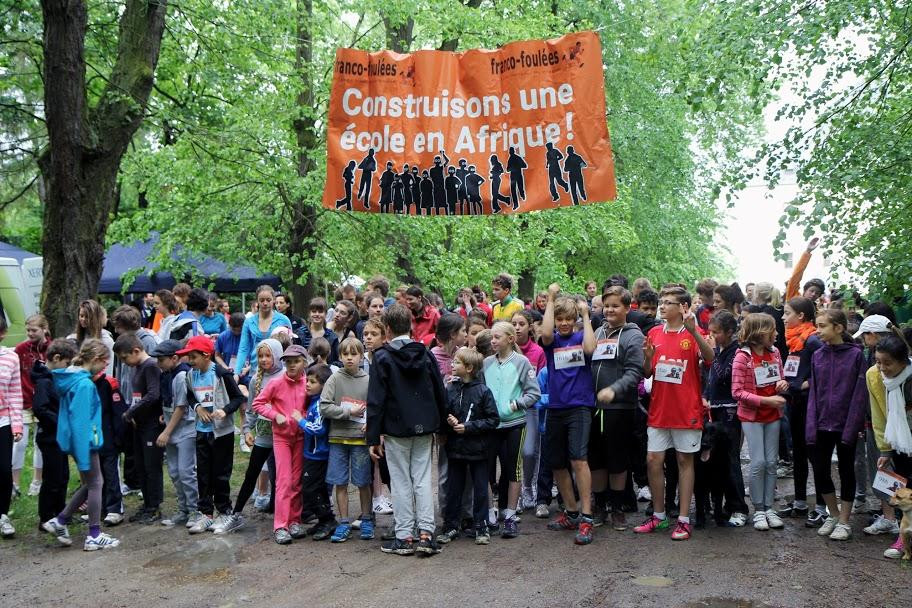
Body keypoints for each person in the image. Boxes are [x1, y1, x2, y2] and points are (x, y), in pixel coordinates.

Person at [634, 285, 714, 541]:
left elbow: (711, 358)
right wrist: (647, 359)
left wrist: (695, 334)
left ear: (684, 307)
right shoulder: (654, 333)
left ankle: (683, 520)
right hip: (659, 409)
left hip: (686, 410)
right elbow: (647, 372)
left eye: (669, 302)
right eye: (662, 301)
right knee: (653, 461)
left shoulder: (694, 332)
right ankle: (659, 516)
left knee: (683, 462)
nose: (662, 306)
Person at [367, 304, 448, 556]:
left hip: (395, 428)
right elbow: (439, 391)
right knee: (422, 480)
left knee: (401, 482)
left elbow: (376, 399)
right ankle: (426, 533)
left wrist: (373, 436)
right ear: (411, 326)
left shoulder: (382, 357)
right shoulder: (425, 354)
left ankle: (404, 536)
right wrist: (443, 424)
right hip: (424, 427)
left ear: (387, 329)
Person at [42, 339, 120, 550]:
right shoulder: (84, 384)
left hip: (78, 442)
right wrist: (84, 453)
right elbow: (80, 421)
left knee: (91, 483)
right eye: (104, 363)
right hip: (85, 443)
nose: (105, 368)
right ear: (95, 360)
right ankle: (94, 534)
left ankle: (60, 520)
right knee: (96, 484)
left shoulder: (73, 379)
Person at [540, 284, 597, 544]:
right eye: (560, 319)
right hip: (556, 408)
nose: (563, 324)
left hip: (580, 407)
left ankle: (587, 517)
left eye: (568, 319)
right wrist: (551, 298)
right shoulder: (551, 343)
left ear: (574, 320)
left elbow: (589, 349)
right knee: (557, 463)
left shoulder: (578, 337)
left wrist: (585, 316)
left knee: (579, 460)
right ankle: (571, 511)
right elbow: (546, 333)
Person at [807, 309, 868, 541]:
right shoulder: (817, 355)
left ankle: (844, 521)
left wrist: (853, 425)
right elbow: (814, 392)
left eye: (822, 326)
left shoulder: (855, 355)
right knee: (821, 470)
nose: (818, 331)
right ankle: (832, 514)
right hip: (821, 422)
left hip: (845, 423)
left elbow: (859, 394)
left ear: (839, 328)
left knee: (846, 470)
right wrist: (811, 423)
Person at [589, 286, 644, 531]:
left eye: (615, 306)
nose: (609, 310)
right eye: (606, 305)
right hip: (592, 406)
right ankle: (600, 504)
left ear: (627, 308)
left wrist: (615, 389)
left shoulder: (634, 336)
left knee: (617, 459)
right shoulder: (598, 331)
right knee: (596, 459)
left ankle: (618, 506)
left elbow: (635, 371)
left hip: (620, 407)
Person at [177, 336, 245, 534]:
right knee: (203, 473)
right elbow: (190, 395)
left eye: (193, 356)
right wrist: (197, 408)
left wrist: (225, 410)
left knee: (220, 474)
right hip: (202, 432)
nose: (190, 360)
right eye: (188, 357)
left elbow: (238, 397)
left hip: (221, 433)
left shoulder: (221, 374)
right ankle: (205, 513)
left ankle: (225, 512)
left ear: (207, 356)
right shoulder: (191, 375)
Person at [731, 313, 789, 531]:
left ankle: (769, 507)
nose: (776, 334)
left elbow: (780, 378)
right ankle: (758, 510)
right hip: (752, 417)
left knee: (772, 462)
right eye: (773, 330)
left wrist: (782, 385)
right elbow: (737, 392)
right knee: (758, 462)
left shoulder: (775, 353)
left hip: (773, 415)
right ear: (760, 333)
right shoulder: (742, 358)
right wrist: (766, 400)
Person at [436, 347, 499, 545]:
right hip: (455, 449)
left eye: (456, 363)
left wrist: (469, 427)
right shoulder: (451, 388)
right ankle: (451, 525)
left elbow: (493, 419)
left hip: (478, 450)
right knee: (454, 489)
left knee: (480, 490)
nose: (452, 365)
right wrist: (449, 421)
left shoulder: (483, 391)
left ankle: (481, 526)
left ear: (469, 368)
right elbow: (444, 411)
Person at [483, 321, 541, 538]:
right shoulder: (486, 363)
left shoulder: (522, 362)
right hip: (489, 426)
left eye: (497, 337)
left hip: (514, 425)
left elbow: (533, 393)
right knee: (487, 469)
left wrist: (515, 405)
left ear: (510, 339)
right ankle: (490, 514)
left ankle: (509, 515)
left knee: (513, 469)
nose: (493, 341)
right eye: (492, 337)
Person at [776, 297, 827, 525]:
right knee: (798, 453)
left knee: (814, 455)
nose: (783, 317)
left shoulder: (814, 340)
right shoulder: (793, 340)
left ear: (801, 316)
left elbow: (825, 374)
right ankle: (799, 502)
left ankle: (822, 506)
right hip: (795, 404)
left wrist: (802, 385)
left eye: (787, 313)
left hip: (811, 406)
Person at [251, 344, 309, 544]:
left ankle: (294, 521)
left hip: (301, 437)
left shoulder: (307, 384)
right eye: (288, 362)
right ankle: (280, 526)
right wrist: (276, 415)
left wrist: (304, 417)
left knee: (296, 480)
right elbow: (257, 403)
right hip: (282, 439)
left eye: (296, 361)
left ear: (304, 363)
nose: (292, 366)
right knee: (283, 481)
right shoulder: (276, 383)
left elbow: (314, 405)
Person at [319, 338, 373, 542]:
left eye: (354, 354)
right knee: (339, 482)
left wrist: (372, 424)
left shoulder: (368, 380)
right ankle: (343, 522)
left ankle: (366, 518)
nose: (350, 358)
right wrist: (347, 412)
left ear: (361, 356)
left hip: (360, 439)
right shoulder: (334, 379)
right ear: (340, 357)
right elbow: (324, 406)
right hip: (338, 439)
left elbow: (375, 407)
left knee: (363, 481)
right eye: (345, 354)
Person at [702, 311, 749, 526]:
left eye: (716, 332)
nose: (712, 336)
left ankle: (738, 507)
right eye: (710, 331)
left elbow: (722, 375)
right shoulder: (721, 351)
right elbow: (711, 379)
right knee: (719, 459)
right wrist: (705, 396)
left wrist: (713, 352)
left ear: (730, 332)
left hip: (730, 411)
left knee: (730, 459)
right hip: (716, 408)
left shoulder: (735, 351)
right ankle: (725, 504)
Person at [868, 334, 912, 558]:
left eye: (888, 363)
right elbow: (882, 416)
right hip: (900, 443)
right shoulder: (883, 380)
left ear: (903, 361)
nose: (882, 368)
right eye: (878, 362)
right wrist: (885, 450)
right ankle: (904, 539)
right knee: (905, 490)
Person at [114, 334, 164, 524]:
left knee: (152, 467)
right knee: (141, 466)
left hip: (152, 425)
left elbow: (153, 394)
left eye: (125, 358)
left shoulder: (150, 366)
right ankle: (147, 504)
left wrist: (131, 411)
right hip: (139, 424)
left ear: (136, 351)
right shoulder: (137, 367)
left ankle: (154, 506)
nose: (125, 363)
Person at [31, 339, 78, 529]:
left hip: (60, 436)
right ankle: (46, 516)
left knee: (63, 475)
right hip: (50, 437)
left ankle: (60, 511)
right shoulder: (44, 381)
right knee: (52, 477)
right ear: (57, 358)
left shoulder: (57, 379)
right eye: (67, 364)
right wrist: (61, 423)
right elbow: (40, 408)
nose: (68, 368)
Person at [151, 339, 198, 528]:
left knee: (186, 472)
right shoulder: (166, 375)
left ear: (174, 358)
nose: (158, 364)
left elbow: (181, 407)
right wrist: (165, 416)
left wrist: (166, 432)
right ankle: (183, 509)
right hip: (171, 428)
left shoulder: (181, 376)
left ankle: (195, 510)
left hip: (185, 430)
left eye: (161, 360)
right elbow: (170, 403)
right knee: (174, 472)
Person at [512, 310, 546, 510]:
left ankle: (528, 486)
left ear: (530, 327)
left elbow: (540, 383)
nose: (517, 328)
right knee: (512, 451)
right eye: (514, 324)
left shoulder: (537, 352)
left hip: (532, 407)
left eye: (521, 324)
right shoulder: (507, 351)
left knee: (529, 451)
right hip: (510, 408)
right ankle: (514, 492)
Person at [14, 314, 49, 498]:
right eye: (28, 330)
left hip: (44, 403)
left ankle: (37, 480)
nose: (30, 333)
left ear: (44, 329)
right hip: (24, 401)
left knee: (39, 443)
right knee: (19, 443)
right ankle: (15, 483)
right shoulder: (21, 349)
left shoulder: (51, 348)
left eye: (34, 330)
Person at [234, 285, 292, 378]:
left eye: (268, 300)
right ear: (257, 301)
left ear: (273, 300)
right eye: (262, 300)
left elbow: (289, 347)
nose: (265, 303)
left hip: (278, 371)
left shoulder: (284, 320)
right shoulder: (249, 321)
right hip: (255, 370)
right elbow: (243, 348)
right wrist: (237, 372)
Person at [0, 316, 24, 538]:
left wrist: (17, 424)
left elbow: (15, 393)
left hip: (3, 421)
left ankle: (3, 515)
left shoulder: (10, 357)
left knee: (4, 469)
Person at [72, 299, 115, 376]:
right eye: (81, 316)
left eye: (87, 317)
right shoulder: (75, 338)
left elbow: (108, 368)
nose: (83, 319)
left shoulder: (106, 340)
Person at [296, 297, 340, 362]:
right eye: (314, 312)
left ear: (326, 314)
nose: (317, 314)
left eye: (320, 312)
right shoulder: (300, 334)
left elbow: (337, 360)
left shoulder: (332, 337)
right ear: (309, 313)